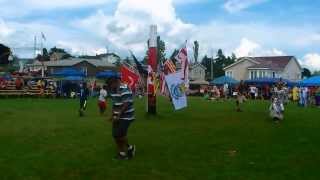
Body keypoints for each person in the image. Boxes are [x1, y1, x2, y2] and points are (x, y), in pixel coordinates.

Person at [108, 76, 136, 160]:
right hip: (117, 116)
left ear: (116, 82)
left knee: (119, 134)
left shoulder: (125, 88)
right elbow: (114, 103)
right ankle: (123, 151)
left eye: (110, 84)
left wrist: (119, 115)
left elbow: (126, 104)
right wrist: (112, 115)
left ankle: (126, 150)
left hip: (126, 116)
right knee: (115, 135)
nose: (110, 87)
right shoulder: (112, 90)